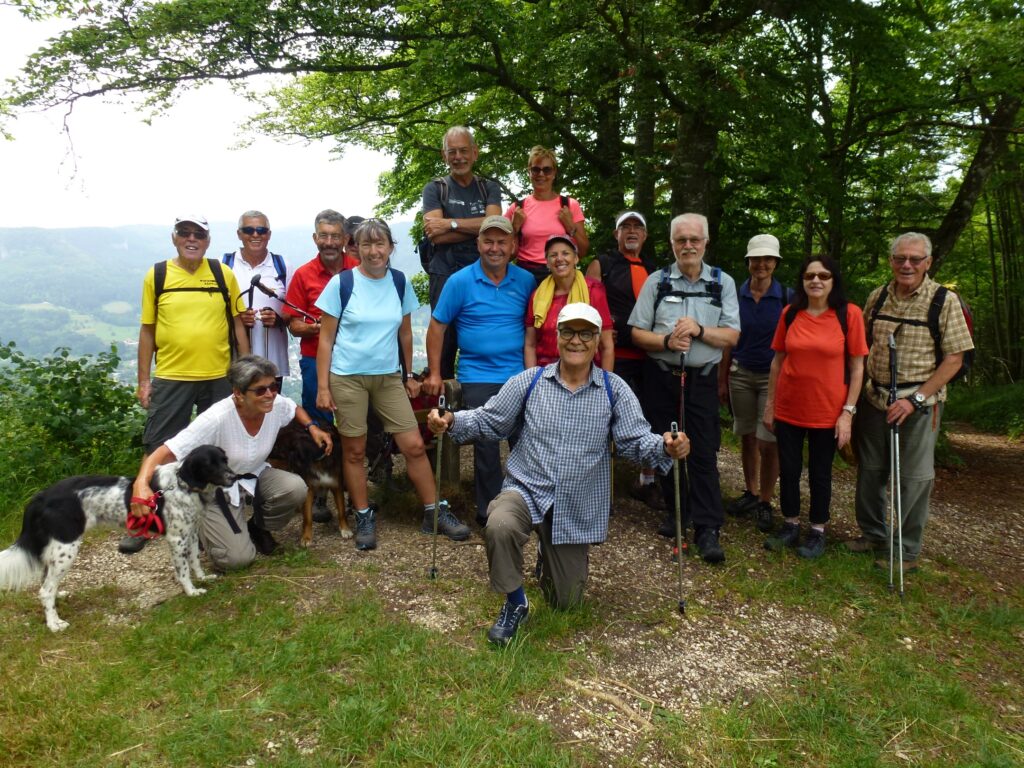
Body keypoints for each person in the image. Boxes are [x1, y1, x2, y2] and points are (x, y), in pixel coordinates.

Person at [427, 304, 690, 646]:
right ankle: (515, 601)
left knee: (566, 602)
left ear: (597, 341)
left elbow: (634, 441)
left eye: (585, 333)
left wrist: (666, 447)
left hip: (574, 505)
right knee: (500, 523)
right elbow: (490, 420)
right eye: (568, 332)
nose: (576, 341)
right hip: (526, 489)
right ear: (557, 337)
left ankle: (546, 557)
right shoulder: (530, 381)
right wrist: (452, 421)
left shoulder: (615, 390)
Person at [316, 219, 470, 550]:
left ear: (390, 248)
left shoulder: (399, 282)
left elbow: (404, 332)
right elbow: (326, 340)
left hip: (387, 377)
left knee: (413, 444)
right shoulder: (342, 284)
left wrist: (409, 375)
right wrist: (324, 387)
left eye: (380, 244)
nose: (374, 251)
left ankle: (434, 511)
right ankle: (362, 514)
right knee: (355, 451)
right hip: (347, 377)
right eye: (366, 245)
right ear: (354, 248)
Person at [122, 214, 251, 555]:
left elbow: (238, 324)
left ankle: (216, 516)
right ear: (175, 237)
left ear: (208, 240)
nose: (191, 239)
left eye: (199, 234)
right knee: (158, 449)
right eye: (185, 233)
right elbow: (147, 329)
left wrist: (247, 371)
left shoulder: (223, 274)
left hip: (218, 377)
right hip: (171, 376)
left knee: (219, 448)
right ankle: (144, 521)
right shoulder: (159, 275)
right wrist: (143, 379)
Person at [849, 232, 973, 573]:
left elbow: (955, 359)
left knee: (914, 477)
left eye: (915, 259)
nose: (907, 264)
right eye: (900, 258)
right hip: (875, 397)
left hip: (920, 402)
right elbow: (861, 347)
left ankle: (905, 552)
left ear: (928, 262)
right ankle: (874, 534)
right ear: (891, 260)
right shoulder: (877, 297)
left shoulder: (943, 301)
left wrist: (915, 399)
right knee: (871, 470)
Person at [130, 356, 326, 570]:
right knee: (237, 560)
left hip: (252, 474)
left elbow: (293, 407)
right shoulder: (216, 418)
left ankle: (258, 527)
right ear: (239, 394)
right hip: (214, 488)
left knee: (294, 488)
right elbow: (165, 451)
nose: (270, 394)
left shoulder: (275, 403)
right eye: (260, 390)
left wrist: (313, 427)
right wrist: (141, 484)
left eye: (273, 386)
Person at [628, 213, 740, 563]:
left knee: (704, 452)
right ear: (672, 243)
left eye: (694, 239)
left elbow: (732, 334)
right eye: (681, 240)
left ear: (705, 242)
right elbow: (636, 333)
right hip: (662, 376)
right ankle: (678, 512)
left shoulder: (723, 283)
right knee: (667, 447)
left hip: (702, 379)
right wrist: (665, 340)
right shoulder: (656, 281)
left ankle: (708, 528)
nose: (688, 246)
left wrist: (700, 331)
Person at [423, 215, 535, 525]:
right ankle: (489, 512)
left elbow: (536, 327)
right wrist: (434, 372)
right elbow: (437, 326)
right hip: (477, 375)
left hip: (518, 374)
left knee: (524, 441)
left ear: (512, 246)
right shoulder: (460, 281)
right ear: (478, 244)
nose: (495, 248)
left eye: (502, 242)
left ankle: (525, 507)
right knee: (486, 445)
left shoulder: (525, 280)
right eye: (489, 241)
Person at [762, 255, 867, 558]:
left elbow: (858, 368)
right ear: (802, 281)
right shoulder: (790, 314)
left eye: (823, 275)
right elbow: (777, 362)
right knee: (790, 469)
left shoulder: (849, 315)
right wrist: (770, 404)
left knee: (820, 473)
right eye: (810, 276)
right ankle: (791, 524)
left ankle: (818, 530)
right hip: (789, 408)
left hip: (828, 412)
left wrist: (847, 413)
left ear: (834, 280)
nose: (816, 281)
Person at [586, 210, 661, 509]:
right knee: (601, 415)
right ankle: (593, 480)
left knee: (650, 417)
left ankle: (647, 480)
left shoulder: (656, 270)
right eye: (625, 227)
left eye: (637, 227)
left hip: (649, 355)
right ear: (616, 234)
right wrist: (599, 332)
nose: (631, 231)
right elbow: (587, 303)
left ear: (644, 235)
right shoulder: (601, 264)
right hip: (611, 357)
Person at [718, 234, 791, 532]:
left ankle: (765, 499)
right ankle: (750, 491)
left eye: (767, 259)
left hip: (773, 378)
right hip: (740, 373)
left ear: (775, 263)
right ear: (748, 262)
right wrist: (722, 378)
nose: (761, 264)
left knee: (768, 440)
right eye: (756, 259)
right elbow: (726, 339)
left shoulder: (788, 297)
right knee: (747, 435)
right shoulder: (734, 295)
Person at [283, 209, 351, 523]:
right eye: (323, 236)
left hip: (354, 361)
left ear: (345, 239)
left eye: (335, 236)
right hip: (314, 360)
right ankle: (320, 494)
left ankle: (358, 486)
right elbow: (293, 324)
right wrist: (320, 328)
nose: (329, 242)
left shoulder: (359, 269)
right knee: (320, 426)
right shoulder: (303, 274)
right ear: (315, 238)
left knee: (356, 425)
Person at [422, 126, 503, 378]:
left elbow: (494, 228)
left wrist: (451, 223)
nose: (458, 157)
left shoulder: (489, 187)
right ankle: (442, 405)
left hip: (482, 273)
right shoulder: (435, 188)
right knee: (444, 341)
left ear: (475, 153)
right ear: (443, 156)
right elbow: (435, 234)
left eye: (464, 151)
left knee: (482, 335)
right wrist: (478, 227)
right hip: (444, 272)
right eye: (452, 152)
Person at [525, 234, 613, 370]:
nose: (559, 259)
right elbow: (530, 344)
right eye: (553, 255)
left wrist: (606, 386)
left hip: (585, 372)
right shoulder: (537, 296)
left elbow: (606, 345)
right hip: (544, 373)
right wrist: (531, 379)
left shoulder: (593, 291)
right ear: (547, 262)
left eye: (565, 253)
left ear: (576, 258)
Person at [506, 145, 589, 283]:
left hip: (560, 273)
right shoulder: (517, 208)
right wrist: (514, 229)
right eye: (536, 169)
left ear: (554, 172)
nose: (541, 174)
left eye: (547, 170)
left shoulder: (569, 205)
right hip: (525, 276)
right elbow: (505, 255)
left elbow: (583, 251)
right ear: (529, 172)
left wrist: (571, 227)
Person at [224, 210, 290, 381]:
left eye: (261, 230)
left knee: (271, 405)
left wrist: (278, 319)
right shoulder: (224, 265)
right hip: (233, 362)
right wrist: (237, 319)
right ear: (239, 234)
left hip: (273, 362)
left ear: (268, 235)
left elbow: (295, 309)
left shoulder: (283, 266)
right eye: (248, 230)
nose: (255, 235)